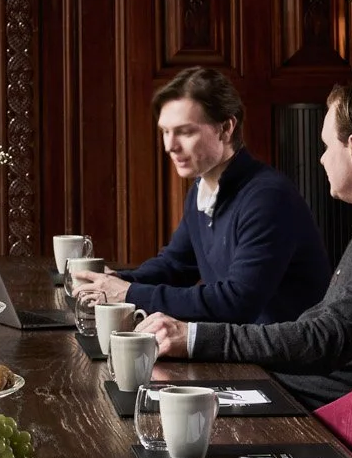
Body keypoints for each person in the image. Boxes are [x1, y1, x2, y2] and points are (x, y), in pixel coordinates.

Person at [137, 77, 352, 405]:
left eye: (327, 147)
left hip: (346, 419)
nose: (322, 159)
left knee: (165, 402)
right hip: (319, 395)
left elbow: (325, 341)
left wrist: (194, 337)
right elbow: (322, 329)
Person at [73, 67, 328, 326]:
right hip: (240, 351)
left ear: (226, 128)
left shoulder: (268, 197)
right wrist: (117, 280)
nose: (169, 146)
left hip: (280, 362)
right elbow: (176, 266)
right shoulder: (202, 188)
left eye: (185, 131)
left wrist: (127, 293)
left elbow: (237, 303)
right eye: (165, 131)